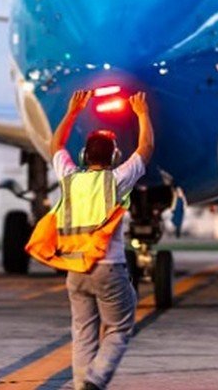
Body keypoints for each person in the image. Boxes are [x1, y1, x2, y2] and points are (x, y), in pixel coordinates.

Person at [49, 89, 154, 390]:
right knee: (120, 326)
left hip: (75, 269)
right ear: (114, 157)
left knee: (82, 331)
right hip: (108, 267)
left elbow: (55, 145)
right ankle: (95, 378)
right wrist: (142, 114)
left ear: (84, 157)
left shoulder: (69, 178)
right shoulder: (117, 180)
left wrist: (72, 111)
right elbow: (145, 147)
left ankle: (82, 383)